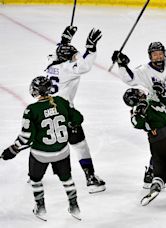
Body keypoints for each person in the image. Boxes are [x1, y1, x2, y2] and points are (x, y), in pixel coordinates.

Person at [112, 42, 166, 187]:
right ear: (150, 56)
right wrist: (122, 65)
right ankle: (152, 171)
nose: (158, 57)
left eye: (160, 53)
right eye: (154, 54)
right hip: (159, 111)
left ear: (164, 54)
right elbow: (129, 79)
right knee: (163, 144)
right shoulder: (144, 70)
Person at [1, 76, 83, 220]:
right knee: (67, 179)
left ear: (35, 91)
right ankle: (74, 206)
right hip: (62, 152)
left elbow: (27, 137)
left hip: (41, 154)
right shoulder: (61, 102)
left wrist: (13, 149)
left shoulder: (31, 110)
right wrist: (70, 124)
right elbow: (78, 118)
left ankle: (40, 208)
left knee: (35, 179)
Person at [44, 26, 105, 193]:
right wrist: (91, 48)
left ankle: (33, 175)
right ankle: (91, 178)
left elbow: (57, 53)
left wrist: (64, 41)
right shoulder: (68, 69)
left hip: (45, 111)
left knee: (44, 142)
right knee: (79, 144)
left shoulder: (50, 64)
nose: (75, 58)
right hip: (64, 113)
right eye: (73, 56)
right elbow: (84, 66)